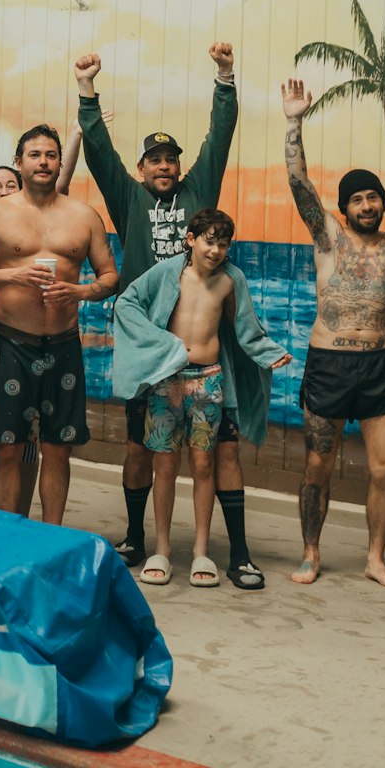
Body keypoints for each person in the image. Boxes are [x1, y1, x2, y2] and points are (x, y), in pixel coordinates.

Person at [75, 45, 249, 579]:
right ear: (142, 168)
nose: (165, 166)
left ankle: (234, 550)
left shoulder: (199, 190)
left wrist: (225, 77)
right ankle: (136, 536)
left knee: (216, 450)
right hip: (148, 351)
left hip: (203, 353)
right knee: (140, 445)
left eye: (171, 159)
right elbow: (99, 151)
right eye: (155, 160)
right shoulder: (128, 200)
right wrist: (87, 89)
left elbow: (218, 139)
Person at [281, 77, 385, 589]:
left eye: (375, 197)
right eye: (359, 199)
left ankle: (376, 558)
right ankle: (311, 553)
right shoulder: (328, 237)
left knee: (384, 467)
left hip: (378, 365)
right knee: (317, 466)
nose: (369, 205)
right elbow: (298, 183)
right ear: (346, 206)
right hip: (329, 364)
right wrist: (294, 122)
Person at [112, 209, 290, 589]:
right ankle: (160, 549)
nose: (216, 250)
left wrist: (268, 351)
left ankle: (200, 551)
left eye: (224, 244)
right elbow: (126, 303)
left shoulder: (230, 280)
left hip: (208, 383)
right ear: (191, 239)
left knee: (203, 466)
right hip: (167, 381)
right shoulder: (167, 273)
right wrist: (160, 344)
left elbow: (247, 327)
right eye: (209, 240)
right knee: (164, 466)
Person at [0, 121, 118, 523]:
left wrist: (80, 291)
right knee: (9, 447)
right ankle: (9, 533)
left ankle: (51, 536)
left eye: (51, 155)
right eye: (35, 155)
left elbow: (110, 276)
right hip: (12, 343)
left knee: (59, 448)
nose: (44, 162)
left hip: (64, 344)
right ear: (19, 162)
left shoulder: (84, 216)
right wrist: (10, 276)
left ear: (59, 162)